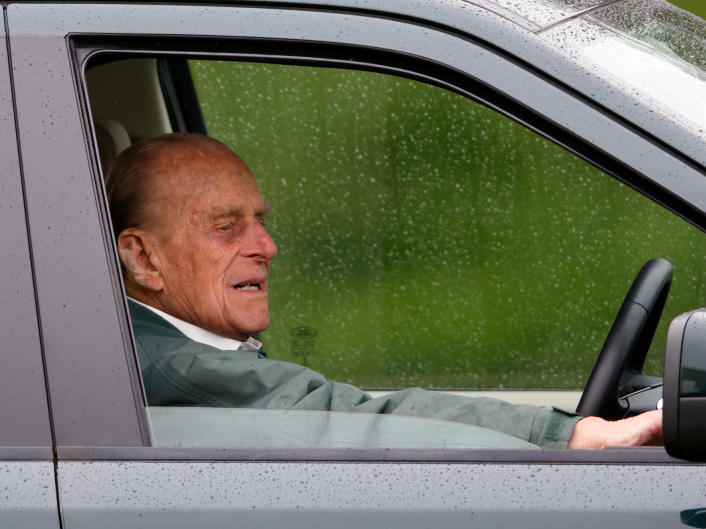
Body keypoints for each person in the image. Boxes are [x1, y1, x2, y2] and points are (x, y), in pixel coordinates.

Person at [108, 133, 662, 449]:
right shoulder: (174, 367)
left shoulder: (146, 343)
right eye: (226, 227)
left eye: (260, 221)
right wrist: (569, 436)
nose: (267, 246)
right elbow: (343, 417)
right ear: (143, 258)